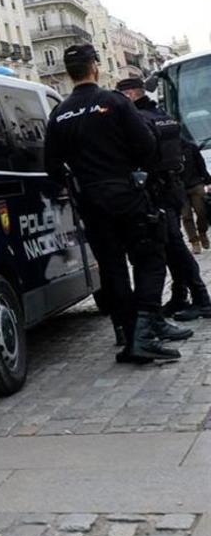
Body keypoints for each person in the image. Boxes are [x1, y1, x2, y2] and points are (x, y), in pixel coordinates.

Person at [44, 44, 188, 365]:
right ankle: (145, 331)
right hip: (125, 193)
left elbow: (52, 167)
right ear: (95, 67)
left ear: (69, 73)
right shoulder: (114, 101)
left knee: (113, 269)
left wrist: (78, 182)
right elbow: (147, 146)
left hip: (90, 202)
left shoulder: (59, 114)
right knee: (151, 257)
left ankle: (127, 333)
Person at [118, 77, 211, 322]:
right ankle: (180, 296)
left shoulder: (139, 119)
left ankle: (202, 298)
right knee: (170, 245)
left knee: (174, 246)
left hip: (157, 190)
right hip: (172, 187)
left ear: (130, 95)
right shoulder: (163, 116)